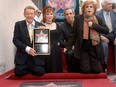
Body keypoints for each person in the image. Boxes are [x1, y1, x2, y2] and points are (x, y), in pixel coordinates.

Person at [65, 0, 109, 74]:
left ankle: (91, 63)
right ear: (84, 9)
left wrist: (93, 25)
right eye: (87, 7)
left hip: (94, 48)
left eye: (91, 7)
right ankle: (82, 64)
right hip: (83, 48)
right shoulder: (78, 18)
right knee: (86, 71)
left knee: (97, 71)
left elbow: (106, 30)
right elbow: (73, 34)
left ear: (94, 9)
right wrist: (67, 47)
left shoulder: (98, 18)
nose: (89, 8)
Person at [13, 6, 45, 76]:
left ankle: (31, 69)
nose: (30, 16)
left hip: (36, 58)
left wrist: (44, 31)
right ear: (24, 14)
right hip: (23, 57)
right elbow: (15, 40)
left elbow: (44, 43)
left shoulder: (41, 25)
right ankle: (29, 69)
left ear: (34, 15)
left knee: (40, 72)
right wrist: (27, 49)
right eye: (27, 14)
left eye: (32, 14)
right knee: (18, 72)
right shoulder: (18, 25)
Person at [96, 0, 116, 73]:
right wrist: (101, 36)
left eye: (111, 4)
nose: (111, 5)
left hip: (113, 34)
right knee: (104, 46)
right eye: (108, 4)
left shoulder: (114, 13)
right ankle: (105, 66)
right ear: (103, 6)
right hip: (103, 35)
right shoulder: (98, 15)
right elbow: (96, 28)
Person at [42, 6, 63, 73]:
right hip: (46, 49)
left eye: (51, 14)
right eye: (47, 14)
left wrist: (60, 43)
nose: (49, 16)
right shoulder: (41, 25)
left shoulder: (57, 25)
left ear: (53, 15)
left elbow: (60, 36)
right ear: (44, 16)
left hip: (56, 48)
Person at [59, 7, 76, 72]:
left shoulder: (79, 23)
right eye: (67, 14)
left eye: (70, 13)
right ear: (64, 16)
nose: (69, 16)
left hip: (80, 46)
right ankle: (70, 69)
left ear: (74, 14)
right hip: (70, 47)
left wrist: (76, 46)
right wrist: (70, 46)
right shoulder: (62, 27)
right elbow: (60, 41)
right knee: (69, 53)